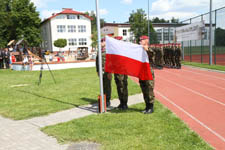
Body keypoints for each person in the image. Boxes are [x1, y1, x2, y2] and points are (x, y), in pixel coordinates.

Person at [139, 35, 155, 114]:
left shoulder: (150, 49)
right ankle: (147, 106)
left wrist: (147, 50)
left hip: (148, 72)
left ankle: (151, 107)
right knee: (144, 89)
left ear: (146, 40)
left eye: (141, 40)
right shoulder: (139, 49)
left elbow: (152, 57)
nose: (140, 41)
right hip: (142, 72)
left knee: (149, 89)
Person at [96, 37, 112, 107]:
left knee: (107, 86)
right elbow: (97, 61)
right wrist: (97, 70)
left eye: (102, 41)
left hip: (107, 71)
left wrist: (110, 71)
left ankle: (107, 100)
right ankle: (103, 99)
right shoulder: (99, 51)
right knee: (102, 85)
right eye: (101, 41)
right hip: (101, 71)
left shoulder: (109, 50)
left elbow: (111, 62)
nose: (101, 43)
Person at [114, 36, 129, 110]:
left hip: (122, 71)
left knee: (123, 86)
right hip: (117, 71)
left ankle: (125, 103)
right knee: (119, 87)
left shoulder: (123, 50)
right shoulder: (115, 50)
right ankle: (121, 102)